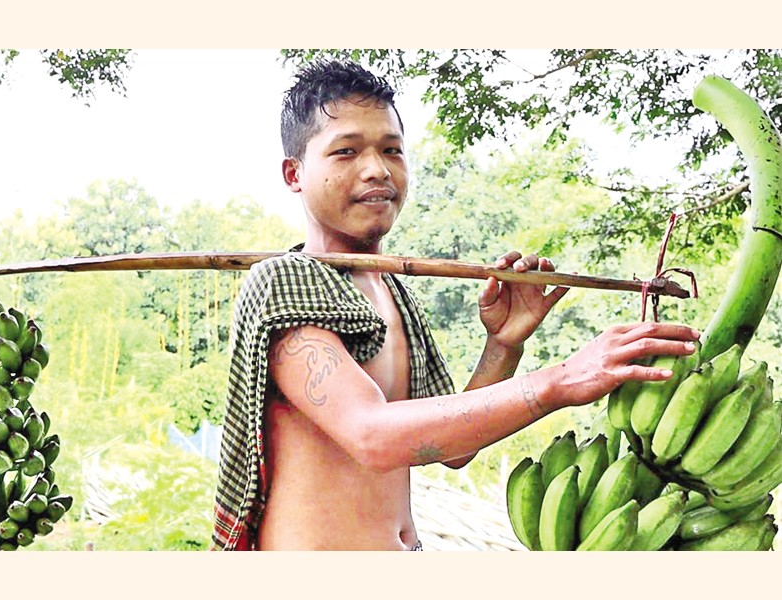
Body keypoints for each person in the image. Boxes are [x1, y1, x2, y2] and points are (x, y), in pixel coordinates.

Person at [211, 59, 699, 551]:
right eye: (346, 151)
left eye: (392, 150)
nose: (377, 169)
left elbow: (452, 451)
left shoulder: (391, 290)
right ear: (294, 173)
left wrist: (503, 345)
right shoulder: (282, 283)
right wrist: (560, 380)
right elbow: (372, 436)